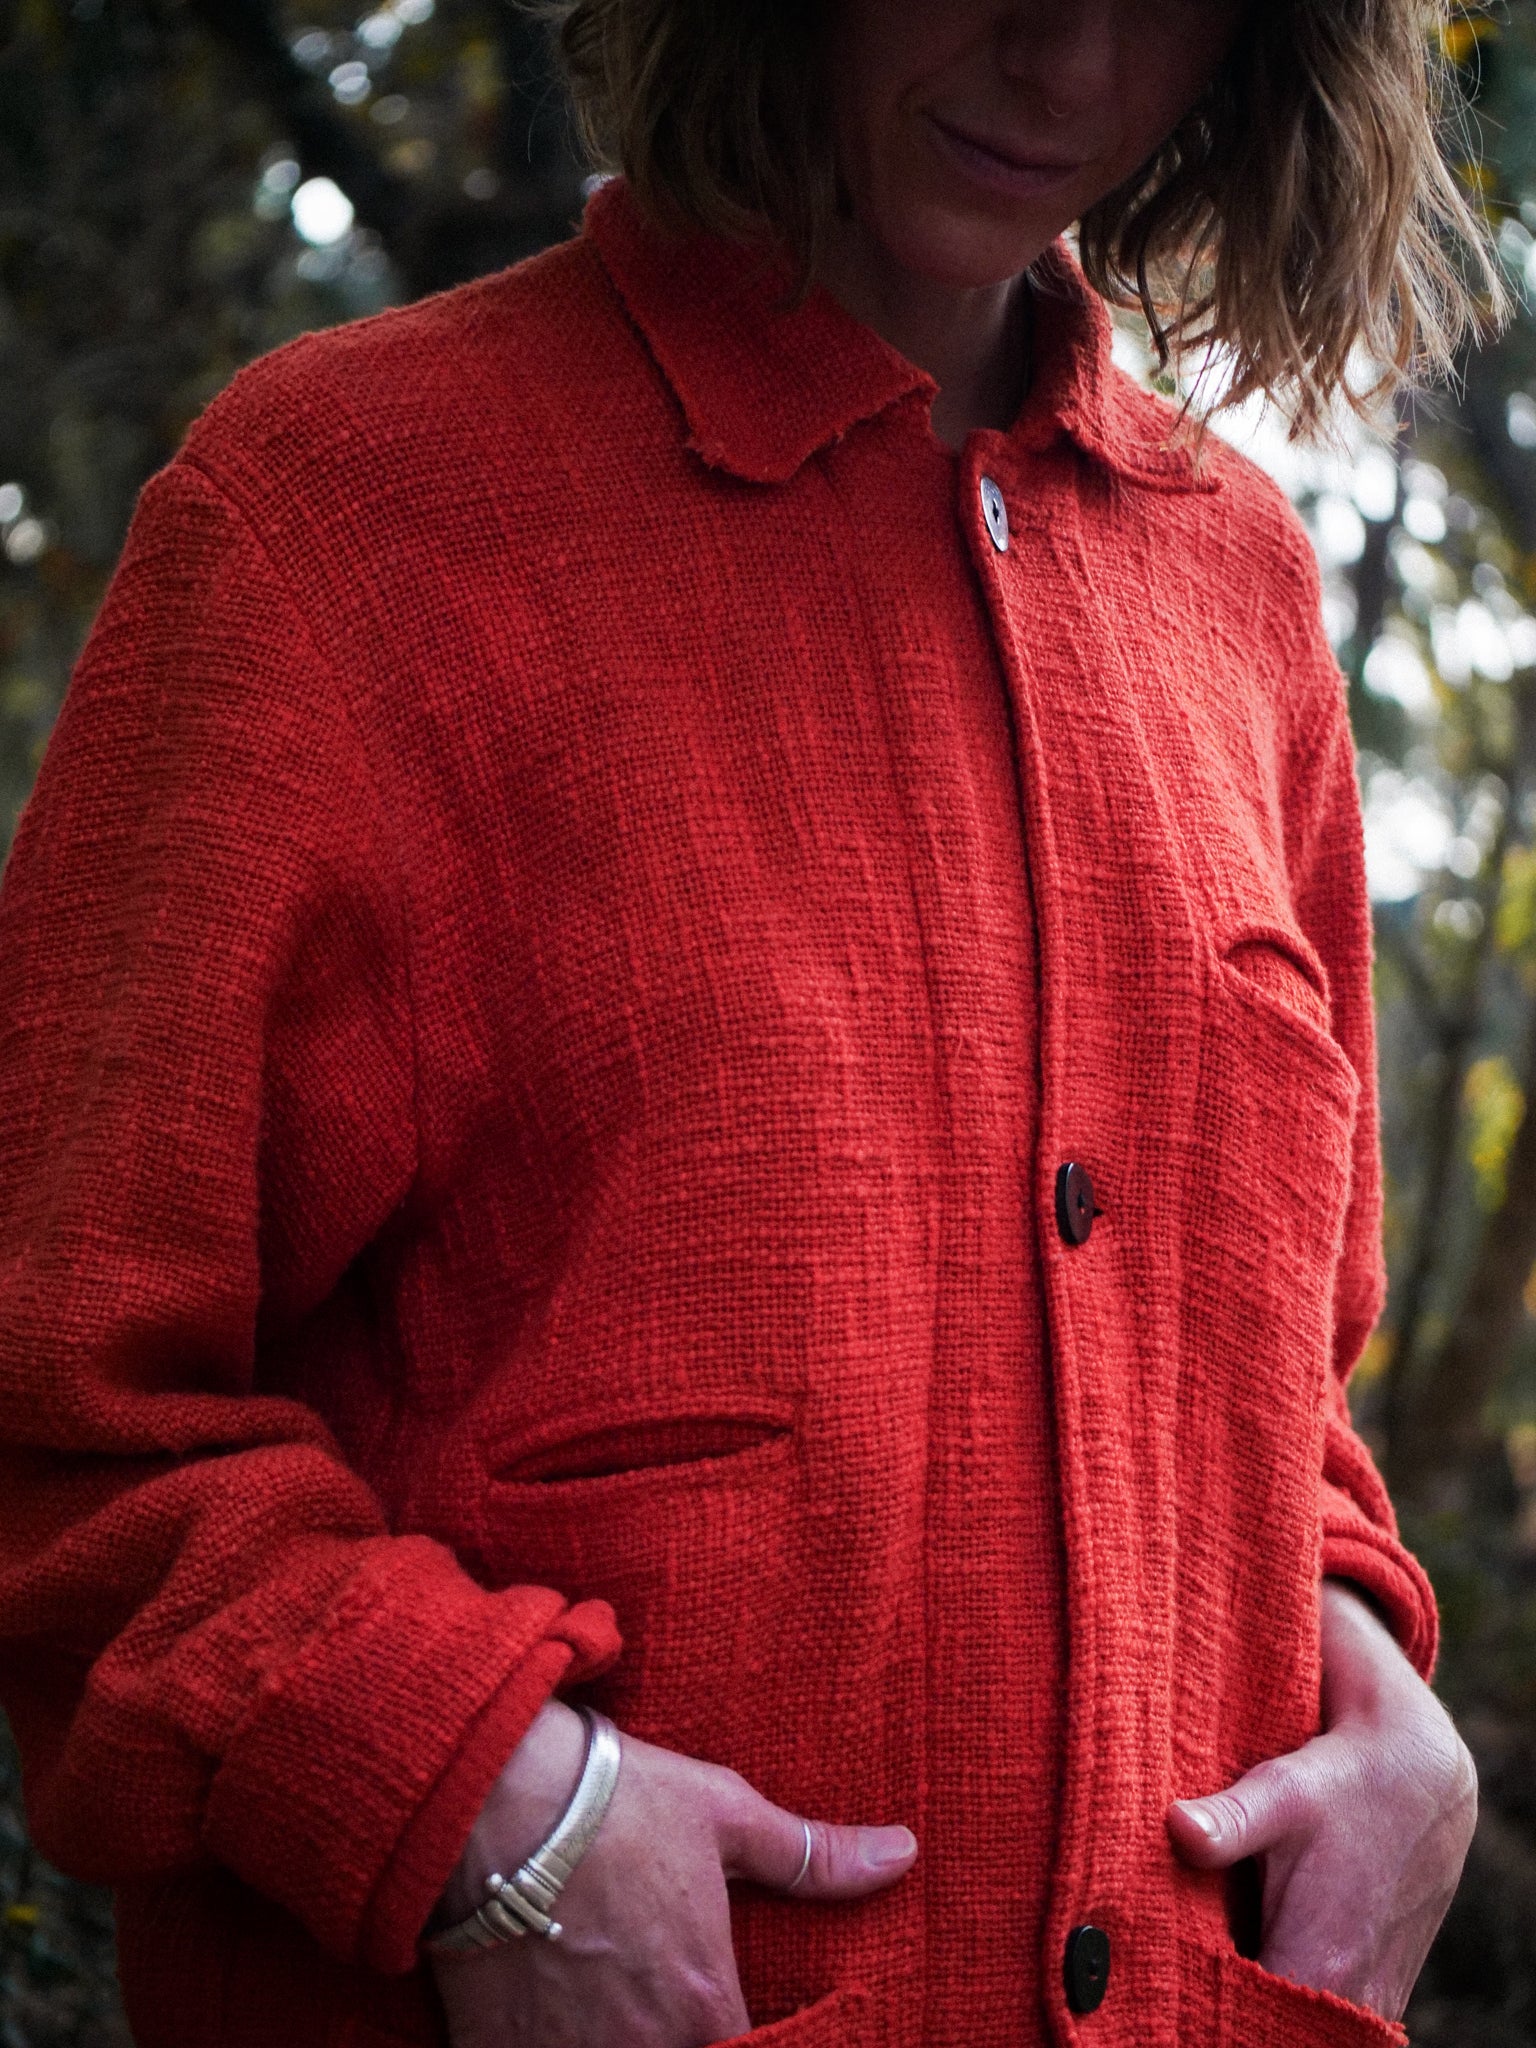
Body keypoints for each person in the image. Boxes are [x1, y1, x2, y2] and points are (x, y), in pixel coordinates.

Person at [0, 2, 1502, 2044]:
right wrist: (482, 1800)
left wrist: (1383, 1695)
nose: (1066, 64)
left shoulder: (1238, 596)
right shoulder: (338, 523)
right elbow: (58, 1420)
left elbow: (1270, 1393)